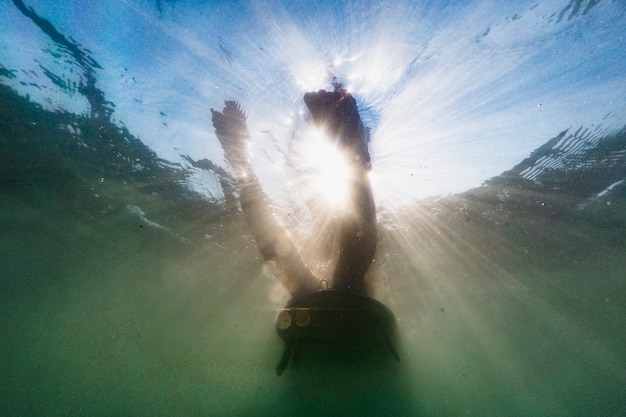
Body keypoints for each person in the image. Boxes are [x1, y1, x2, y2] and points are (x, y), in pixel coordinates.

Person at [211, 86, 397, 375]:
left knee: (296, 261)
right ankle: (351, 144)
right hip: (349, 298)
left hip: (316, 304)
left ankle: (240, 162)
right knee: (345, 267)